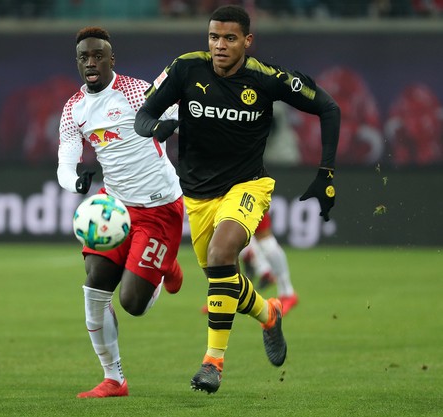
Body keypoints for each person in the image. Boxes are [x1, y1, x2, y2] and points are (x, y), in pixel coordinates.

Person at [135, 5, 340, 393]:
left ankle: (213, 363)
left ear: (247, 41)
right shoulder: (184, 69)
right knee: (221, 275)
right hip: (197, 196)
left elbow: (328, 107)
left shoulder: (266, 78)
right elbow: (142, 116)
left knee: (221, 254)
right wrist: (157, 127)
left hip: (247, 186)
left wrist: (326, 173)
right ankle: (269, 313)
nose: (220, 46)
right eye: (214, 37)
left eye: (230, 38)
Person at [57, 27, 185, 399]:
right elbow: (65, 161)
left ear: (112, 59)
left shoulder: (134, 90)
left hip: (159, 207)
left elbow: (173, 109)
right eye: (84, 57)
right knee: (94, 282)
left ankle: (164, 269)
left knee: (132, 304)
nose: (91, 62)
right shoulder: (73, 109)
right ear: (78, 62)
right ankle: (114, 378)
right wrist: (75, 182)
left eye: (98, 55)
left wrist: (172, 123)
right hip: (114, 206)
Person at [239, 212, 299, 315]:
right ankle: (222, 293)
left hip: (245, 197)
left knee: (265, 241)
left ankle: (287, 293)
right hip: (219, 198)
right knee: (225, 237)